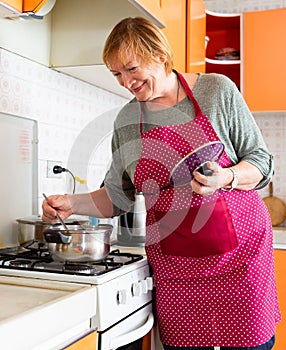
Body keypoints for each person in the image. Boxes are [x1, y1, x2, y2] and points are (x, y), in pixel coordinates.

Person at [42, 17, 280, 350]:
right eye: (116, 74)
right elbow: (116, 197)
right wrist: (71, 203)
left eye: (131, 68)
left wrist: (227, 177)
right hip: (177, 267)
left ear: (158, 54)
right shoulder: (127, 120)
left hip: (240, 259)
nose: (126, 82)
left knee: (249, 344)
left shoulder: (216, 90)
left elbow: (261, 162)